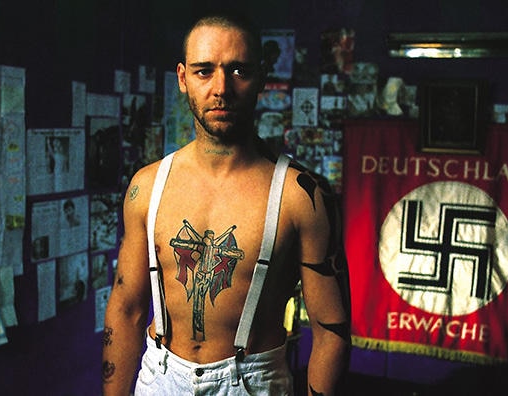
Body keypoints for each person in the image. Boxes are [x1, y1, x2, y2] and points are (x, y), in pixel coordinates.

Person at [102, 12, 350, 396]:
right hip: (160, 377)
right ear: (183, 78)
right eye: (204, 71)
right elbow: (126, 309)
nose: (221, 88)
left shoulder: (302, 195)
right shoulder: (147, 187)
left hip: (251, 381)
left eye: (237, 71)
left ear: (261, 78)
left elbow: (331, 331)